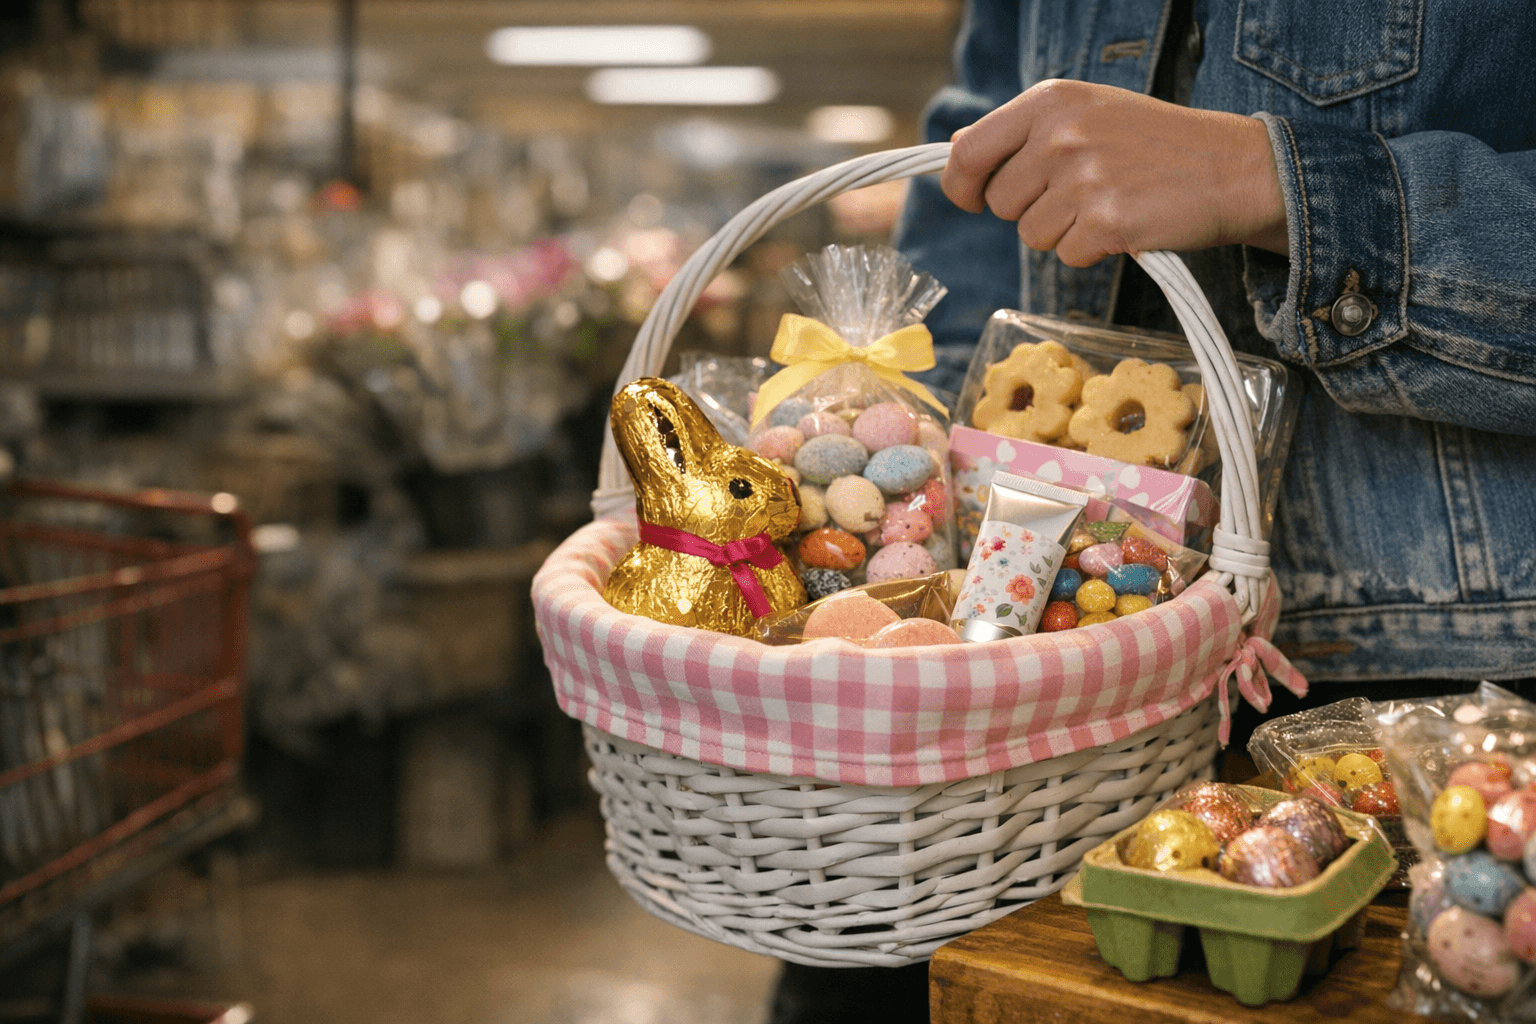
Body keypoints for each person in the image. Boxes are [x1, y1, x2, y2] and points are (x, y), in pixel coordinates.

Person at [769, 1, 1536, 1021]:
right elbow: (976, 195)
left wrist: (1283, 184)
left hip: (1415, 699)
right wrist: (906, 483)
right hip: (1008, 699)